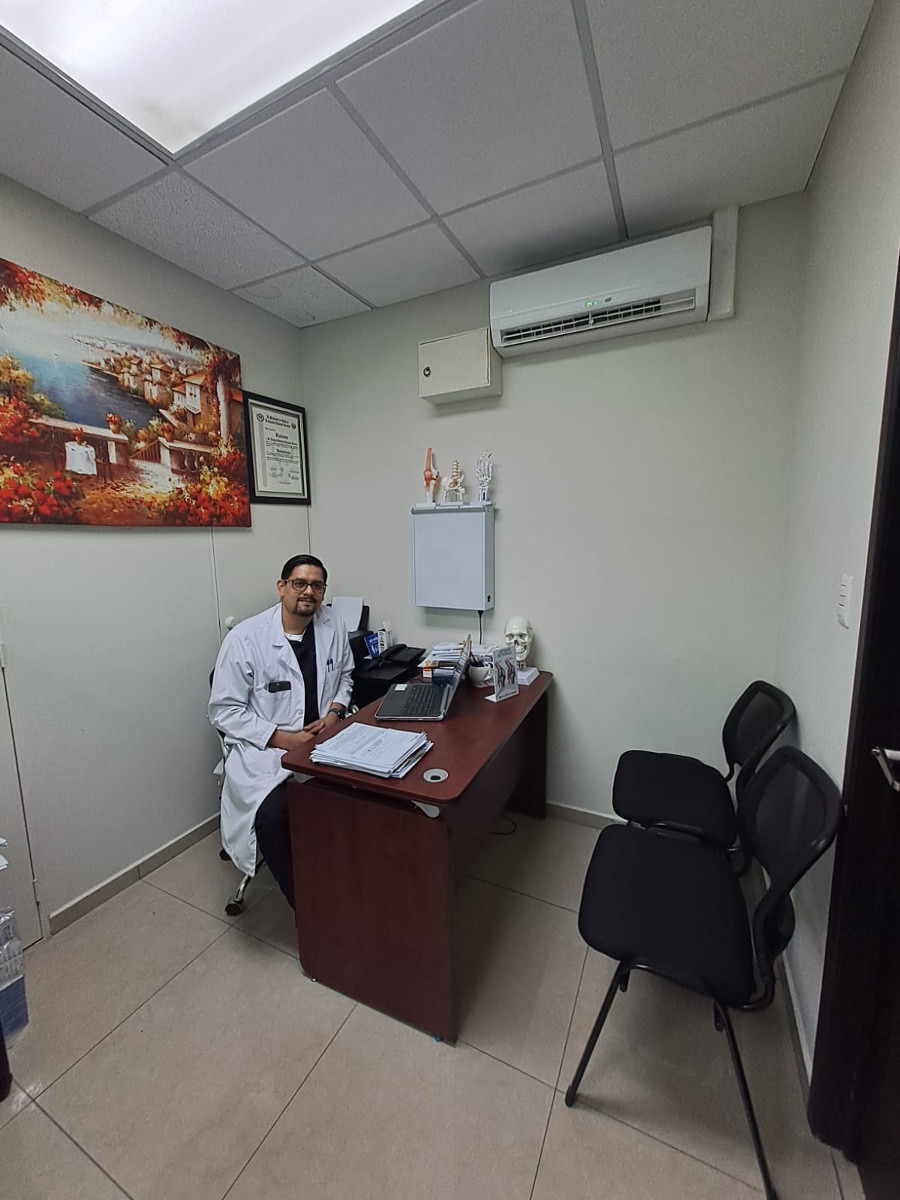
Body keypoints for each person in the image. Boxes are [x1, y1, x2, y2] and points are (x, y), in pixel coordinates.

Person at [209, 554, 354, 907]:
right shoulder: (246, 639)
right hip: (267, 752)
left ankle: (350, 879)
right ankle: (309, 911)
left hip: (324, 740)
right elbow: (224, 710)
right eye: (299, 583)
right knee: (273, 818)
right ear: (281, 587)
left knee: (364, 797)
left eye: (317, 585)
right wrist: (283, 738)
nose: (308, 592)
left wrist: (335, 712)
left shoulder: (333, 624)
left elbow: (346, 677)